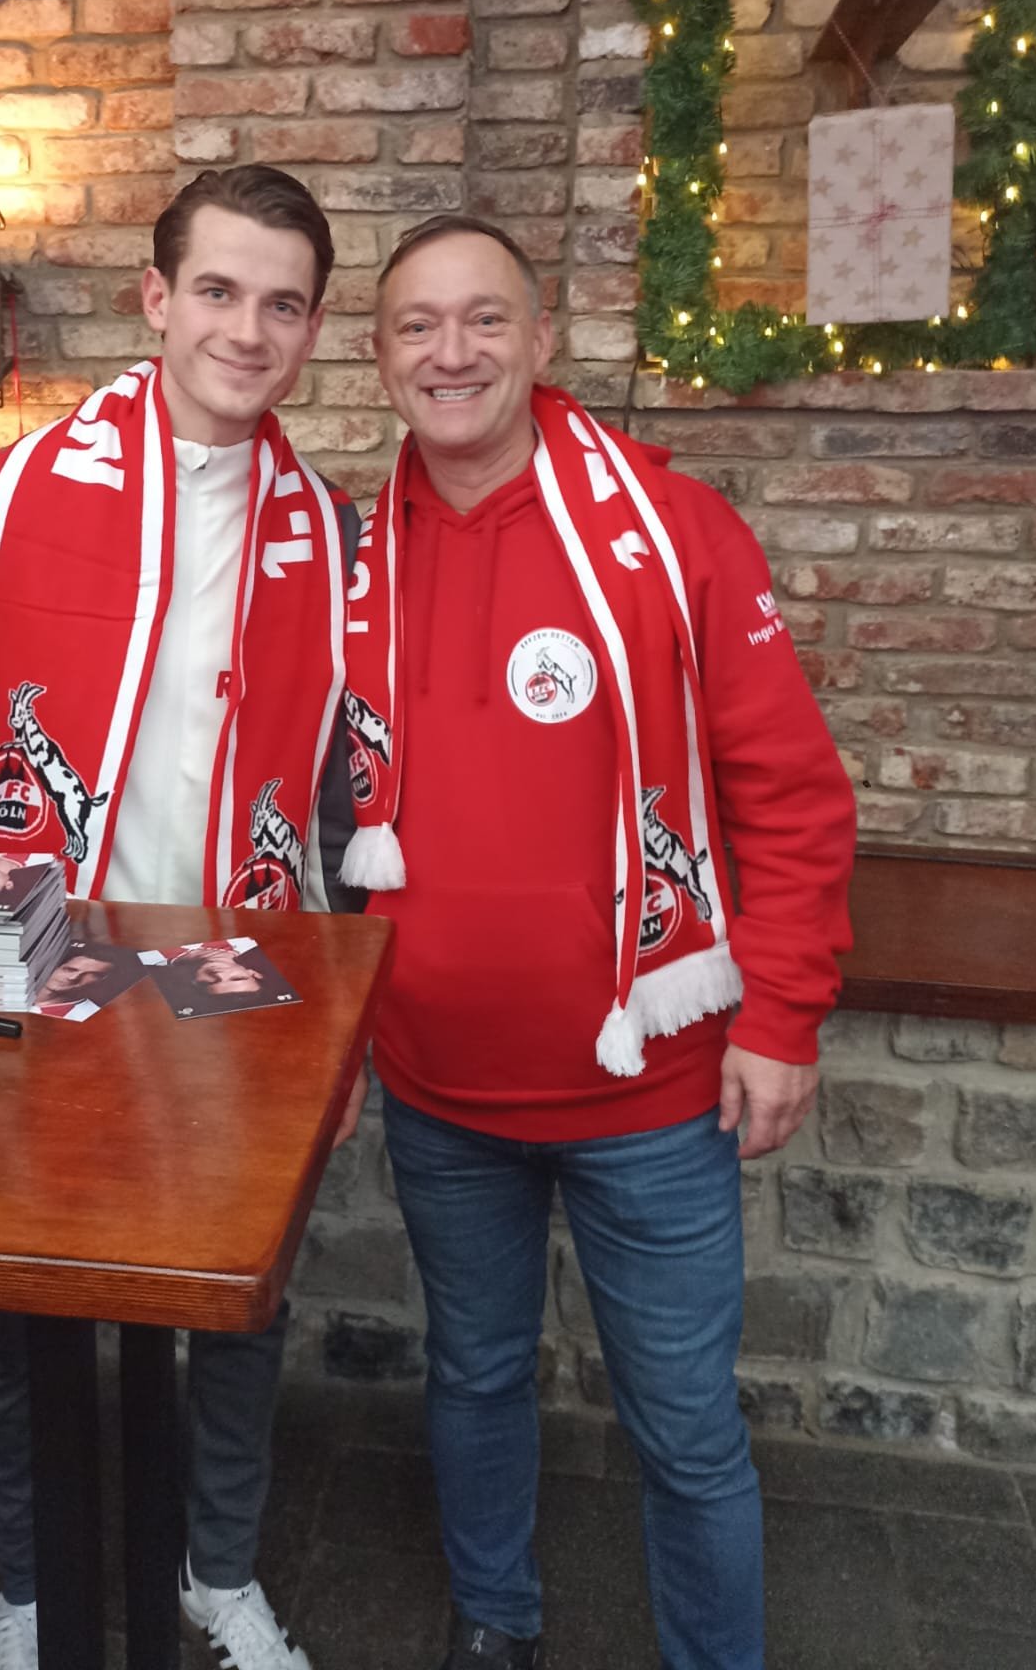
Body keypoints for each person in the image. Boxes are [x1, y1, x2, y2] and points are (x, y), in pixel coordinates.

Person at [0, 165, 368, 1670]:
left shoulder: (331, 533)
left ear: (312, 329)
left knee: (240, 1302)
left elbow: (347, 792)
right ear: (156, 297)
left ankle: (217, 1571)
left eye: (282, 304)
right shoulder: (7, 492)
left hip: (237, 960)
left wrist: (352, 1002)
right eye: (218, 290)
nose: (246, 330)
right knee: (11, 1308)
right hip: (31, 950)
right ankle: (28, 1588)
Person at [339, 217, 857, 1670]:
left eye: (483, 319)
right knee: (475, 1374)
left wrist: (781, 1018)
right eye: (417, 325)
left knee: (683, 1427)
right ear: (379, 356)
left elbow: (790, 792)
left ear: (541, 337)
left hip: (654, 1092)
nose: (451, 353)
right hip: (437, 1085)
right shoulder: (350, 555)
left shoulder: (673, 529)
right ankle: (494, 1622)